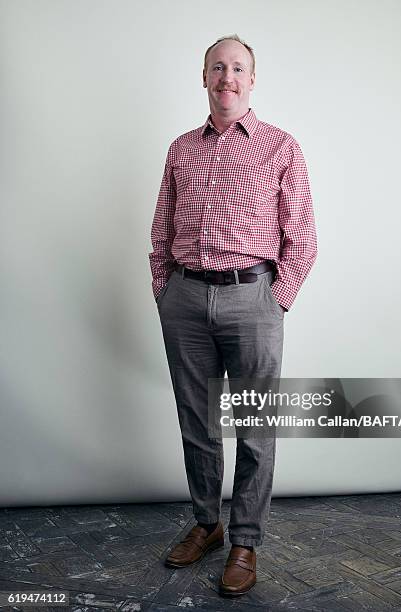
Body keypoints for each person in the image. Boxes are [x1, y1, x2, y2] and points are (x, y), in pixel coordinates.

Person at [148, 34, 317, 597]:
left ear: (252, 80)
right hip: (187, 300)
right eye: (217, 67)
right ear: (203, 78)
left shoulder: (281, 147)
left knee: (255, 428)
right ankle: (207, 525)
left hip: (253, 298)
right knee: (196, 422)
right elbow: (161, 232)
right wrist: (166, 295)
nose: (228, 77)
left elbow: (304, 238)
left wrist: (276, 298)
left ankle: (245, 540)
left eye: (238, 68)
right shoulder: (180, 150)